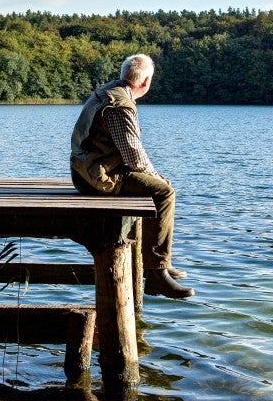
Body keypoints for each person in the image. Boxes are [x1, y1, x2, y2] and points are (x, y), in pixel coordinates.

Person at [70, 54, 194, 299]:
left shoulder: (107, 91)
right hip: (99, 178)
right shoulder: (121, 105)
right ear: (146, 81)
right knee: (164, 193)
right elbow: (133, 155)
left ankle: (158, 262)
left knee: (152, 187)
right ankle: (157, 273)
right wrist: (156, 175)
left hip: (86, 170)